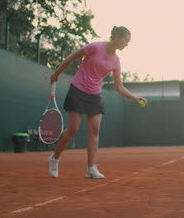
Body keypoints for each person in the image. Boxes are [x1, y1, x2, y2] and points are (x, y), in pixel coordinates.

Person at [48, 26, 147, 179]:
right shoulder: (95, 47)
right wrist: (56, 73)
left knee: (94, 131)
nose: (127, 44)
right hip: (78, 90)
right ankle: (54, 158)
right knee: (73, 129)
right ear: (118, 36)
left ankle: (91, 168)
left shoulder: (116, 61)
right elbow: (72, 57)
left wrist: (135, 98)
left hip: (94, 95)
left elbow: (119, 87)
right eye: (126, 40)